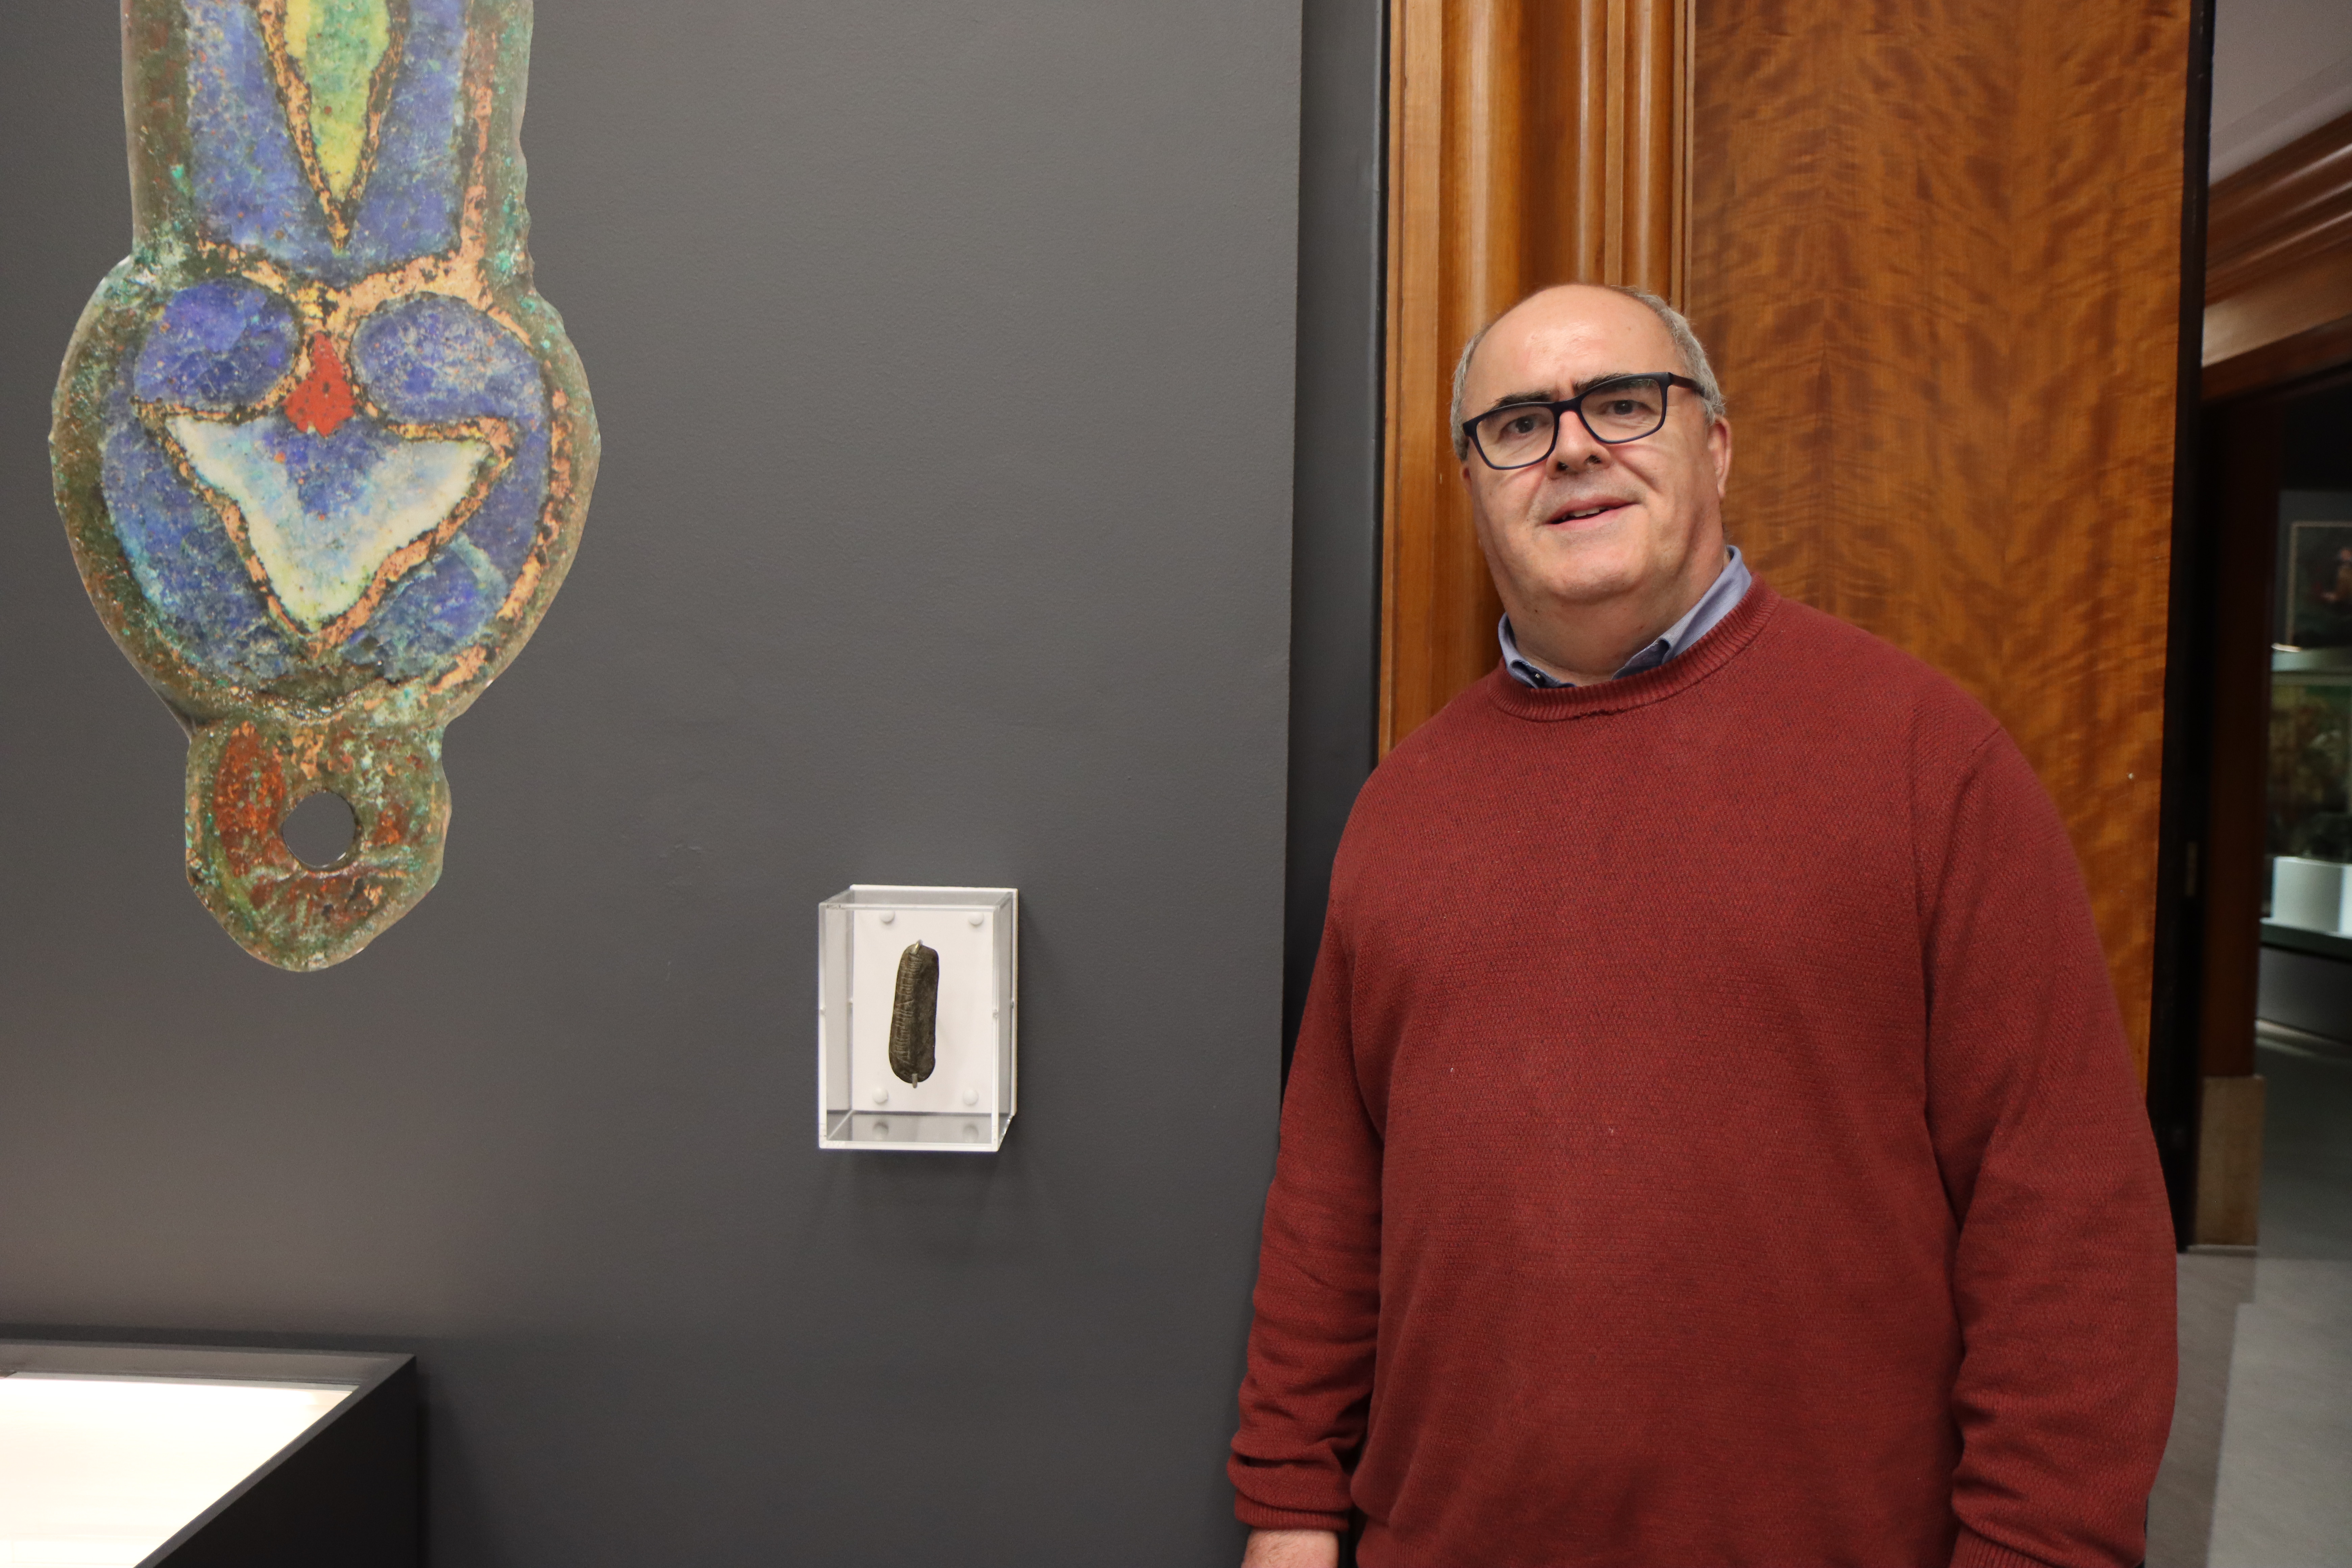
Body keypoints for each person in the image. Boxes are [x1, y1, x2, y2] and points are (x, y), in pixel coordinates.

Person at [1230, 284, 2176, 1568]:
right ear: (1474, 482)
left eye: (1621, 404)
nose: (1570, 449)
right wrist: (1289, 1509)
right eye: (1515, 424)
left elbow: (2070, 1227)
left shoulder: (1923, 762)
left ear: (1715, 443)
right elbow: (1330, 1208)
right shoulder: (1406, 808)